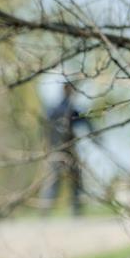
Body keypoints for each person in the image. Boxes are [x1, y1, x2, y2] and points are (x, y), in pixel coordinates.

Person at [42, 82, 92, 215]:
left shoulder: (54, 110)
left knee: (59, 180)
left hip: (59, 149)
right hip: (63, 149)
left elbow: (85, 121)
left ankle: (51, 211)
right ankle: (72, 210)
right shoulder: (65, 109)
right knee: (60, 179)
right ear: (67, 91)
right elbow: (86, 121)